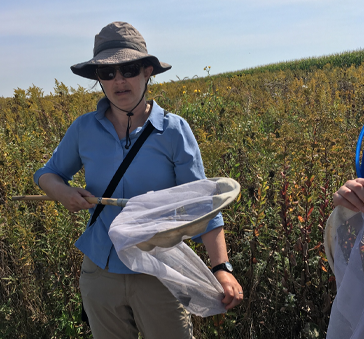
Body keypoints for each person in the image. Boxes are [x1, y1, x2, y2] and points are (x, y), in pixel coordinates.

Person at [33, 21, 243, 339]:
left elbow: (202, 206)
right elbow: (47, 174)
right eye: (107, 73)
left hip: (158, 270)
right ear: (98, 80)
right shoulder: (84, 129)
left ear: (148, 72)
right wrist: (62, 192)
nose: (119, 80)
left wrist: (221, 268)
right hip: (100, 271)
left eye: (129, 69)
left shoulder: (174, 131)